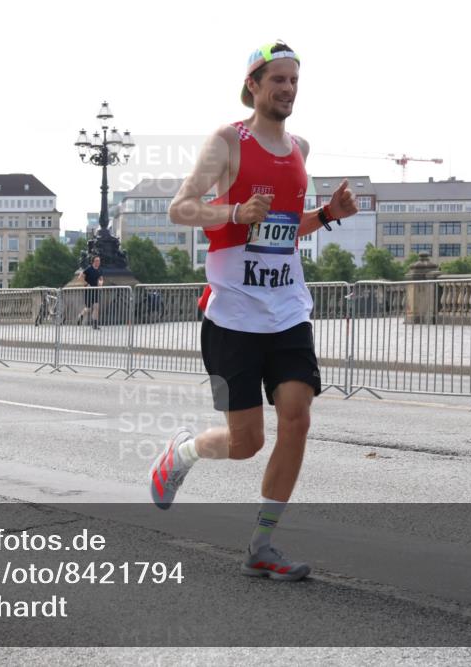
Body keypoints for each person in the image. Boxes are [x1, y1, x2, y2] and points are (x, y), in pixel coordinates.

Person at [148, 41, 358, 581]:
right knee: (246, 443)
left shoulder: (300, 148)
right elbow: (181, 208)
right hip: (232, 316)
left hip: (287, 309)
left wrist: (327, 214)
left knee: (297, 417)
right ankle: (182, 454)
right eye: (277, 81)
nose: (287, 90)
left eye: (293, 82)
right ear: (253, 87)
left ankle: (263, 544)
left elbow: (285, 229)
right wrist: (234, 209)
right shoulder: (227, 141)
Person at [76, 255, 104, 330]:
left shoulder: (100, 270)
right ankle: (81, 316)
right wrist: (86, 284)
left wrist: (101, 283)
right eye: (97, 261)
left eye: (99, 261)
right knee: (88, 308)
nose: (98, 262)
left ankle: (94, 324)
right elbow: (80, 277)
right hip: (88, 291)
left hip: (96, 290)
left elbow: (101, 278)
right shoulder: (88, 269)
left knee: (96, 307)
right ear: (93, 261)